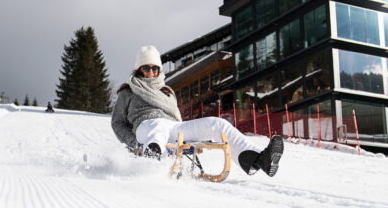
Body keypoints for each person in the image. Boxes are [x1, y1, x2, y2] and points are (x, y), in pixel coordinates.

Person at [111, 46, 284, 177]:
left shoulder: (166, 91)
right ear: (138, 69)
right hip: (146, 128)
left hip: (174, 128)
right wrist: (133, 142)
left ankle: (257, 160)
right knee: (157, 128)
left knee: (217, 124)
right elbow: (117, 122)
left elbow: (174, 116)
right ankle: (151, 163)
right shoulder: (128, 92)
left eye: (154, 68)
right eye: (146, 68)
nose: (150, 72)